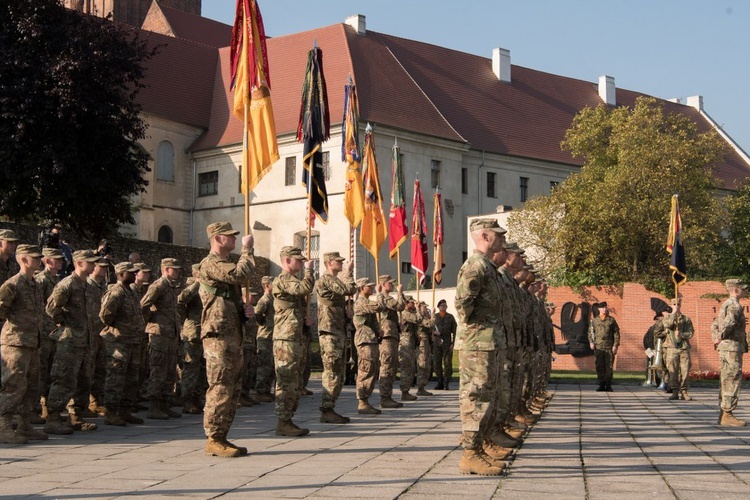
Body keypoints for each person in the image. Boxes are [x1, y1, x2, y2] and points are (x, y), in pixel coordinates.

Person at [454, 218, 508, 476]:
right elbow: (463, 302)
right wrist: (475, 329)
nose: (501, 239)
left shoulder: (487, 266)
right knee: (476, 397)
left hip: (488, 341)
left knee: (488, 396)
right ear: (485, 236)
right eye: (498, 235)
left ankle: (480, 447)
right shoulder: (476, 265)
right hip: (478, 343)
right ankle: (470, 454)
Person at [197, 221, 255, 456]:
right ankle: (213, 438)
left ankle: (222, 435)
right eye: (230, 236)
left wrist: (244, 311)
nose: (234, 239)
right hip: (218, 335)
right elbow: (241, 272)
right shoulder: (211, 263)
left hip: (231, 333)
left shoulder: (223, 264)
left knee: (232, 388)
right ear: (218, 238)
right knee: (220, 386)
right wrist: (248, 249)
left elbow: (226, 300)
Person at [44, 249, 101, 435]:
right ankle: (53, 418)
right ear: (79, 263)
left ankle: (76, 416)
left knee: (84, 380)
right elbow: (52, 308)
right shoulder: (67, 284)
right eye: (90, 262)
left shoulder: (88, 286)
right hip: (69, 341)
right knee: (64, 379)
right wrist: (64, 323)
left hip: (85, 342)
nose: (93, 265)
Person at [0, 244, 48, 444]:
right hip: (16, 343)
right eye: (35, 257)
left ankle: (24, 425)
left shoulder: (34, 284)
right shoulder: (12, 285)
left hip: (33, 342)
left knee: (31, 386)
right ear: (23, 260)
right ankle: (2, 426)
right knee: (13, 386)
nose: (39, 261)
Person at [272, 246, 315, 436]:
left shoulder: (292, 280)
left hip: (295, 335)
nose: (302, 262)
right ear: (287, 260)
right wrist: (310, 272)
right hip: (285, 337)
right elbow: (304, 288)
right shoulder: (282, 279)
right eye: (298, 260)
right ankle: (283, 421)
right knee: (287, 378)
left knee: (295, 379)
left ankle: (288, 418)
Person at [98, 262, 143, 426]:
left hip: (132, 341)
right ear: (122, 274)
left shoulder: (131, 292)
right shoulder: (116, 292)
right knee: (116, 377)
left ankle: (125, 411)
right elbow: (105, 315)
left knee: (131, 378)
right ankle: (111, 412)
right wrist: (119, 328)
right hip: (119, 341)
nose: (135, 275)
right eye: (131, 273)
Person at [315, 252, 357, 423]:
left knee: (339, 372)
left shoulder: (334, 281)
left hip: (337, 330)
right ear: (328, 263)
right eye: (338, 261)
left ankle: (330, 407)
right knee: (332, 372)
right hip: (329, 332)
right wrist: (349, 272)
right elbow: (348, 289)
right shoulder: (325, 279)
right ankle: (326, 409)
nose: (341, 263)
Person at [140, 258, 182, 420]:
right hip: (159, 333)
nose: (178, 271)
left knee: (170, 371)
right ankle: (154, 406)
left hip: (170, 333)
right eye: (175, 269)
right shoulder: (158, 285)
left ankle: (164, 403)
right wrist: (151, 320)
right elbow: (144, 305)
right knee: (158, 369)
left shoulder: (170, 286)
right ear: (166, 269)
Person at [35, 247, 64, 422]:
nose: (61, 262)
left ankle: (46, 406)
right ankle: (35, 407)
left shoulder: (56, 280)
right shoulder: (41, 280)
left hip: (54, 332)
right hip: (44, 332)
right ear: (47, 261)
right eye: (57, 259)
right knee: (41, 370)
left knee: (52, 370)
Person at [715, 278, 748, 426]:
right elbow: (728, 324)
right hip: (732, 347)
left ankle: (724, 413)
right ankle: (728, 414)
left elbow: (715, 324)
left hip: (726, 347)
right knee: (732, 379)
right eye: (744, 288)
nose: (746, 290)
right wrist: (722, 336)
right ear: (736, 290)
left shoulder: (725, 304)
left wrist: (717, 338)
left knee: (726, 379)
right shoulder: (734, 305)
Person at [352, 277, 386, 415]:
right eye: (369, 286)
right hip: (364, 340)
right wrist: (380, 294)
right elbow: (379, 307)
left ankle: (365, 400)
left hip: (370, 339)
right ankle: (362, 401)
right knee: (365, 369)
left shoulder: (366, 302)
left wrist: (378, 330)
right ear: (361, 288)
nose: (371, 288)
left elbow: (372, 319)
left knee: (372, 369)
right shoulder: (360, 303)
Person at [176, 264, 205, 414]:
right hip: (193, 333)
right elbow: (180, 300)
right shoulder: (193, 288)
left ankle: (197, 397)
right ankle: (187, 399)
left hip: (206, 334)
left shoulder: (208, 288)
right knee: (190, 367)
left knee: (202, 369)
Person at [655, 298, 694, 401]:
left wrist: (681, 334)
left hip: (683, 347)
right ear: (671, 305)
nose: (676, 306)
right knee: (673, 370)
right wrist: (673, 314)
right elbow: (667, 325)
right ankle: (675, 391)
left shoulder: (686, 319)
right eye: (674, 304)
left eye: (678, 304)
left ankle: (684, 391)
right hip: (671, 348)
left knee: (685, 370)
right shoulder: (666, 318)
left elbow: (691, 332)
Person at [376, 274, 405, 409]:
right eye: (390, 283)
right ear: (383, 285)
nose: (392, 285)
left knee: (392, 367)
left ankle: (388, 396)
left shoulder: (387, 298)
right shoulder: (385, 299)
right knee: (387, 367)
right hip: (387, 337)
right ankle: (385, 397)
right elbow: (400, 306)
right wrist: (400, 293)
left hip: (392, 336)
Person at [85, 258, 109, 417]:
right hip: (88, 333)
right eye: (101, 266)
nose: (104, 269)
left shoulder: (104, 287)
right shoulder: (86, 285)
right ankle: (83, 403)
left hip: (101, 332)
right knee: (87, 369)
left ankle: (95, 402)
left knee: (100, 368)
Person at [589, 302, 620, 392]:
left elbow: (616, 333)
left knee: (609, 366)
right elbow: (591, 332)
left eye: (605, 307)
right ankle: (601, 384)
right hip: (598, 347)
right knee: (599, 366)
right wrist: (591, 342)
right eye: (602, 308)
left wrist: (615, 345)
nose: (605, 309)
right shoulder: (594, 321)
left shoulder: (611, 320)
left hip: (609, 346)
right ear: (599, 309)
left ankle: (608, 384)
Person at [254, 276, 275, 402]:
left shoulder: (272, 299)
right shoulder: (264, 300)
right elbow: (257, 315)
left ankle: (267, 389)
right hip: (265, 336)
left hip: (272, 336)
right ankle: (260, 390)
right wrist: (263, 324)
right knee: (264, 365)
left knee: (270, 366)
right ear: (267, 285)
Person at [399, 296, 420, 401]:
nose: (414, 305)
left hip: (410, 341)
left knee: (410, 367)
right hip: (405, 342)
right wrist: (419, 310)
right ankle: (404, 391)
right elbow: (418, 319)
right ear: (407, 303)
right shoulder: (405, 313)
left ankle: (406, 390)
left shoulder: (410, 313)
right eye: (412, 303)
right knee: (406, 367)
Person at [433, 299, 456, 390]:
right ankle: (440, 381)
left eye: (445, 305)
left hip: (447, 342)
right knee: (436, 362)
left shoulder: (450, 317)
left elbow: (455, 331)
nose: (443, 307)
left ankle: (446, 381)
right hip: (437, 342)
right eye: (442, 305)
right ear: (438, 307)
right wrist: (434, 332)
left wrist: (453, 343)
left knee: (447, 363)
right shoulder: (434, 317)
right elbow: (429, 327)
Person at [416, 301, 435, 396]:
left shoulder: (425, 317)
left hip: (426, 341)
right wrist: (433, 314)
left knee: (427, 364)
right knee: (423, 364)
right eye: (424, 308)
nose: (426, 310)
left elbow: (432, 328)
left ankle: (422, 386)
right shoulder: (420, 318)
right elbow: (430, 324)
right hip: (422, 342)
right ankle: (420, 386)